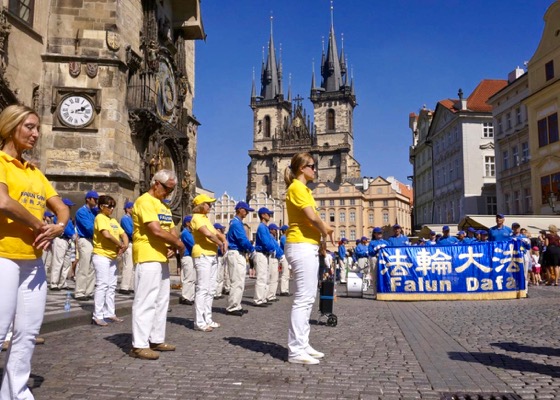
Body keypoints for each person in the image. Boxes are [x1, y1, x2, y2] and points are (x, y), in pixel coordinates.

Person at [0, 104, 70, 399]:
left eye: (37, 128)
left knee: (27, 333)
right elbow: (2, 202)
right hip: (4, 255)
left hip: (32, 261)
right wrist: (40, 225)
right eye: (29, 127)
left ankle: (15, 392)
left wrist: (60, 225)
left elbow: (61, 206)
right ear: (10, 127)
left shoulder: (34, 172)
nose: (36, 134)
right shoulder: (1, 162)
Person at [283, 152, 334, 365]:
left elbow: (311, 218)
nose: (315, 170)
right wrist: (326, 229)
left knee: (309, 297)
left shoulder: (303, 189)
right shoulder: (296, 187)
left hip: (308, 244)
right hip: (300, 244)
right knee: (303, 298)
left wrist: (321, 237)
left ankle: (303, 344)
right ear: (302, 168)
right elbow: (311, 216)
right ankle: (295, 350)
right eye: (312, 166)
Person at [129, 169, 185, 360]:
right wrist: (176, 243)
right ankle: (139, 344)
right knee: (146, 300)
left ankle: (156, 338)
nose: (169, 193)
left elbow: (171, 229)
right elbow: (155, 230)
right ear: (156, 184)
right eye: (168, 189)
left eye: (172, 190)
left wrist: (173, 244)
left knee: (162, 301)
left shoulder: (163, 206)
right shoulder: (145, 201)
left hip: (161, 257)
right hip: (147, 255)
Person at [190, 194, 228, 331]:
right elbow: (208, 234)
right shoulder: (196, 218)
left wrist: (223, 240)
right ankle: (199, 322)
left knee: (211, 289)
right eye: (208, 204)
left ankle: (208, 318)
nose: (210, 206)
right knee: (203, 288)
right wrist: (220, 243)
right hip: (202, 254)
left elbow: (217, 233)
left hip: (211, 255)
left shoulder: (205, 219)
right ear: (201, 205)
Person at [91, 195, 129, 326]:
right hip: (101, 255)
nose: (112, 209)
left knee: (112, 286)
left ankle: (110, 312)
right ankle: (98, 314)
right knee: (102, 285)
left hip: (112, 256)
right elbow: (106, 234)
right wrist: (119, 244)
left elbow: (123, 234)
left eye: (113, 206)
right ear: (102, 207)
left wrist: (124, 245)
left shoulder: (112, 220)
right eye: (109, 206)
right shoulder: (100, 218)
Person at [225, 201, 255, 316]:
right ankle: (232, 307)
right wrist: (251, 249)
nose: (247, 212)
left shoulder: (237, 223)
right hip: (236, 252)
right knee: (237, 280)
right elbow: (242, 239)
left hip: (238, 253)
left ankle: (236, 305)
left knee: (239, 280)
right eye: (246, 210)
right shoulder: (236, 224)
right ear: (240, 209)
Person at [74, 190, 99, 300]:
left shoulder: (94, 212)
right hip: (85, 239)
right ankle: (79, 291)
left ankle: (88, 291)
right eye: (94, 199)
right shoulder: (81, 211)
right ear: (88, 199)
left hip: (93, 240)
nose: (96, 201)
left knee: (92, 267)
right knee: (84, 266)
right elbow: (89, 227)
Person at [49, 198, 76, 290]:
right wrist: (72, 234)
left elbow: (72, 228)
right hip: (60, 239)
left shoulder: (68, 218)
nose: (70, 208)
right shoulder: (58, 216)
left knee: (66, 263)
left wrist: (73, 235)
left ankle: (62, 282)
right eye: (69, 206)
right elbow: (65, 228)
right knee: (58, 262)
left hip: (68, 240)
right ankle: (54, 283)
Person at [253, 207, 277, 306]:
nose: (269, 215)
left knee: (265, 277)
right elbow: (266, 242)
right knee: (262, 277)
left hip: (265, 254)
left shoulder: (265, 227)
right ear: (263, 215)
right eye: (268, 214)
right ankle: (258, 299)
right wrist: (272, 249)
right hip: (261, 253)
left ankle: (262, 298)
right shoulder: (262, 227)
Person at [118, 201, 134, 295]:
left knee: (133, 266)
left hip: (133, 243)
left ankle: (131, 286)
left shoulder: (132, 219)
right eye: (132, 208)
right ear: (128, 209)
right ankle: (124, 286)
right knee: (128, 265)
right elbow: (130, 231)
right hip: (128, 243)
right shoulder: (125, 219)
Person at [368, 227, 389, 299]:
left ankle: (385, 292)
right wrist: (375, 249)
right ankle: (376, 293)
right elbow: (370, 252)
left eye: (380, 233)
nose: (380, 234)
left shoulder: (386, 242)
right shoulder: (372, 242)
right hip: (375, 258)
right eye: (378, 233)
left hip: (384, 259)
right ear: (374, 234)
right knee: (375, 276)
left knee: (385, 275)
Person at [179, 216, 195, 305]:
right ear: (187, 223)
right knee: (188, 277)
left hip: (191, 256)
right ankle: (185, 296)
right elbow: (193, 243)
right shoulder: (185, 233)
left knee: (192, 278)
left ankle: (190, 296)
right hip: (187, 256)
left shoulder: (190, 232)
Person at [266, 223, 282, 302]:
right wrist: (280, 254)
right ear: (271, 230)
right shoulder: (270, 237)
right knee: (272, 277)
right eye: (275, 229)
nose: (276, 231)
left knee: (274, 278)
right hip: (272, 257)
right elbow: (275, 248)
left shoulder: (273, 238)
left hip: (275, 258)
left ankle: (272, 295)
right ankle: (269, 295)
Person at [213, 223, 229, 299]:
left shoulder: (221, 237)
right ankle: (215, 292)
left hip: (222, 257)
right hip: (218, 256)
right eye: (220, 229)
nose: (222, 230)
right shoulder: (215, 237)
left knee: (221, 276)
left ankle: (218, 292)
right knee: (217, 276)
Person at [278, 225, 291, 296]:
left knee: (287, 274)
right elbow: (286, 245)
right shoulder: (283, 237)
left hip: (287, 256)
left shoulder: (285, 237)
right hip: (284, 256)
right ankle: (283, 290)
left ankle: (286, 289)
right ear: (285, 230)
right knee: (284, 273)